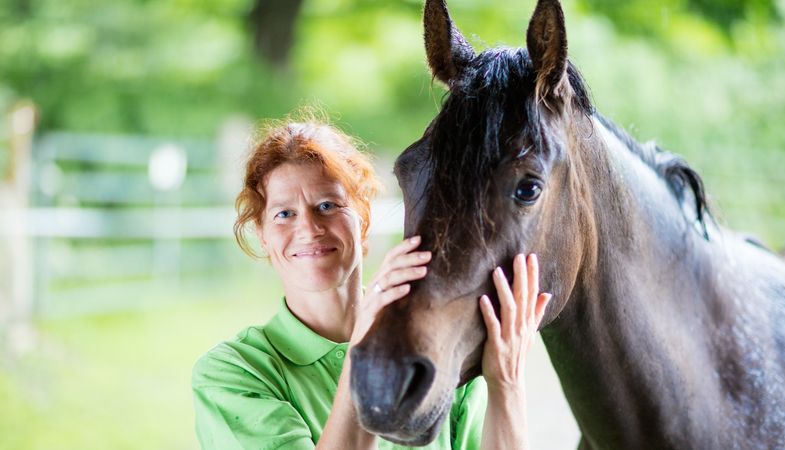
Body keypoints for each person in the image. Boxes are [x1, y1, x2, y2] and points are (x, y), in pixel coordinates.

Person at [192, 116, 552, 450]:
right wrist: (364, 347)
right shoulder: (233, 373)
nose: (309, 229)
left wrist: (505, 381)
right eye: (284, 214)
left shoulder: (433, 347)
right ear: (264, 235)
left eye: (328, 206)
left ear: (363, 218)